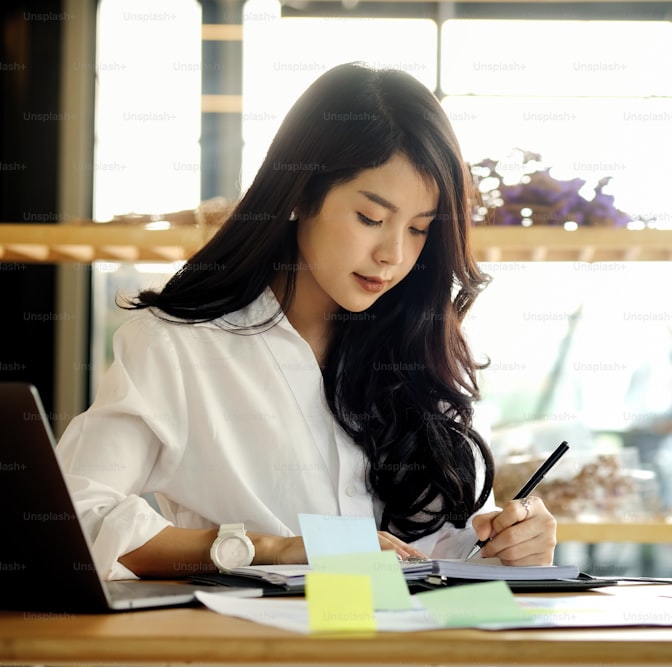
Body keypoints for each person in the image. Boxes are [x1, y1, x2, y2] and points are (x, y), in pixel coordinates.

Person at [56, 62, 557, 581]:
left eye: (419, 230)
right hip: (266, 652)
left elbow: (447, 558)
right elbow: (74, 515)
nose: (393, 254)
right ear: (299, 194)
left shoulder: (412, 349)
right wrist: (269, 549)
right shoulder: (180, 346)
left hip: (416, 653)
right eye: (371, 219)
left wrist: (513, 548)